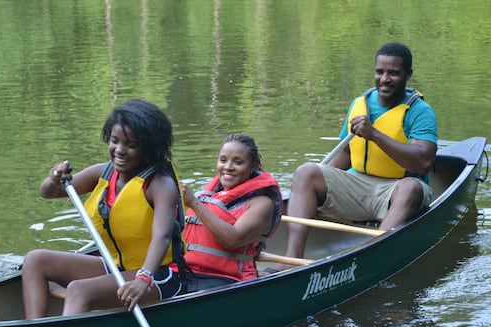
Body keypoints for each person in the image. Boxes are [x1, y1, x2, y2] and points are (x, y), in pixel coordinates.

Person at [21, 99, 185, 318]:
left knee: (78, 290)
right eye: (115, 141)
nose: (119, 150)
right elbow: (48, 193)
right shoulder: (102, 173)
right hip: (117, 267)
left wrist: (143, 278)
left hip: (158, 274)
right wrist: (53, 179)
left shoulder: (160, 185)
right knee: (35, 260)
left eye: (130, 145)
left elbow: (162, 236)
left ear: (149, 148)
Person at [279, 42, 437, 263]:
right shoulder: (359, 104)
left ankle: (372, 255)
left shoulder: (419, 111)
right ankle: (290, 260)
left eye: (393, 73)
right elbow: (346, 152)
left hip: (397, 192)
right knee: (306, 172)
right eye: (380, 72)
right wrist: (315, 188)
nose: (384, 79)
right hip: (359, 186)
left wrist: (374, 134)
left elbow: (423, 162)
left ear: (408, 75)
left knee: (411, 187)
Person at [179, 134, 282, 291]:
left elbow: (233, 240)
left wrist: (194, 203)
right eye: (223, 160)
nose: (228, 167)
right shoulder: (210, 196)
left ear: (253, 166)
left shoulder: (262, 203)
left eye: (238, 162)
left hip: (228, 279)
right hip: (189, 271)